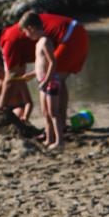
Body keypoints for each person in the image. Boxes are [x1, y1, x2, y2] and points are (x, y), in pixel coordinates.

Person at [17, 10, 89, 149]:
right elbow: (41, 65)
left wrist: (46, 80)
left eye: (25, 32)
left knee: (53, 113)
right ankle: (49, 139)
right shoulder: (38, 42)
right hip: (43, 82)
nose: (26, 35)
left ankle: (59, 141)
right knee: (45, 113)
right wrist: (32, 74)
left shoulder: (45, 41)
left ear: (31, 28)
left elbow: (53, 63)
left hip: (50, 82)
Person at [0, 23, 33, 121]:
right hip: (4, 108)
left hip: (18, 107)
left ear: (5, 68)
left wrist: (26, 117)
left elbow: (28, 102)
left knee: (17, 113)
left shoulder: (17, 80)